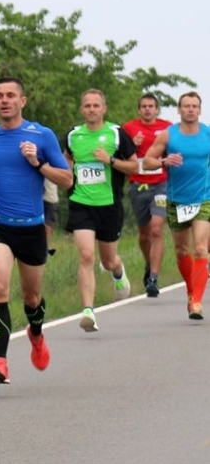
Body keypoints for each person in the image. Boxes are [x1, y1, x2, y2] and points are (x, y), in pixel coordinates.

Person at [0, 77, 72, 384]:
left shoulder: (41, 135)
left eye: (11, 95)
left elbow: (67, 180)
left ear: (22, 101)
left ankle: (36, 334)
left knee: (32, 297)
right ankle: (0, 362)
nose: (4, 100)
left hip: (31, 227)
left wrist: (37, 162)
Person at [63, 89, 137, 332]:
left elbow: (134, 167)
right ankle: (88, 311)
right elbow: (66, 164)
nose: (92, 109)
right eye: (87, 105)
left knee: (108, 259)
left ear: (104, 108)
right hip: (81, 203)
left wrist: (111, 161)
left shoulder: (117, 135)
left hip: (109, 206)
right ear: (81, 109)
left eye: (96, 105)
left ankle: (118, 272)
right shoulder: (74, 136)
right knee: (86, 255)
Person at [142, 91, 210, 319]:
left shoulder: (207, 134)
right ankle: (192, 293)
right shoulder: (168, 136)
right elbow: (148, 161)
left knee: (201, 248)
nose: (190, 109)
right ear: (179, 110)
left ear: (199, 110)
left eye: (194, 106)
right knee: (182, 251)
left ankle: (198, 302)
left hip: (203, 198)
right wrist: (163, 161)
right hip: (177, 200)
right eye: (186, 106)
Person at [122, 93, 171, 297]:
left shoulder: (167, 127)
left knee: (157, 229)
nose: (148, 109)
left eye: (151, 106)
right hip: (139, 184)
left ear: (157, 109)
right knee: (144, 234)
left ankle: (153, 278)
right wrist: (132, 143)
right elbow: (119, 156)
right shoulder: (128, 128)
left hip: (162, 184)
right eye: (144, 106)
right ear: (139, 109)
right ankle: (148, 262)